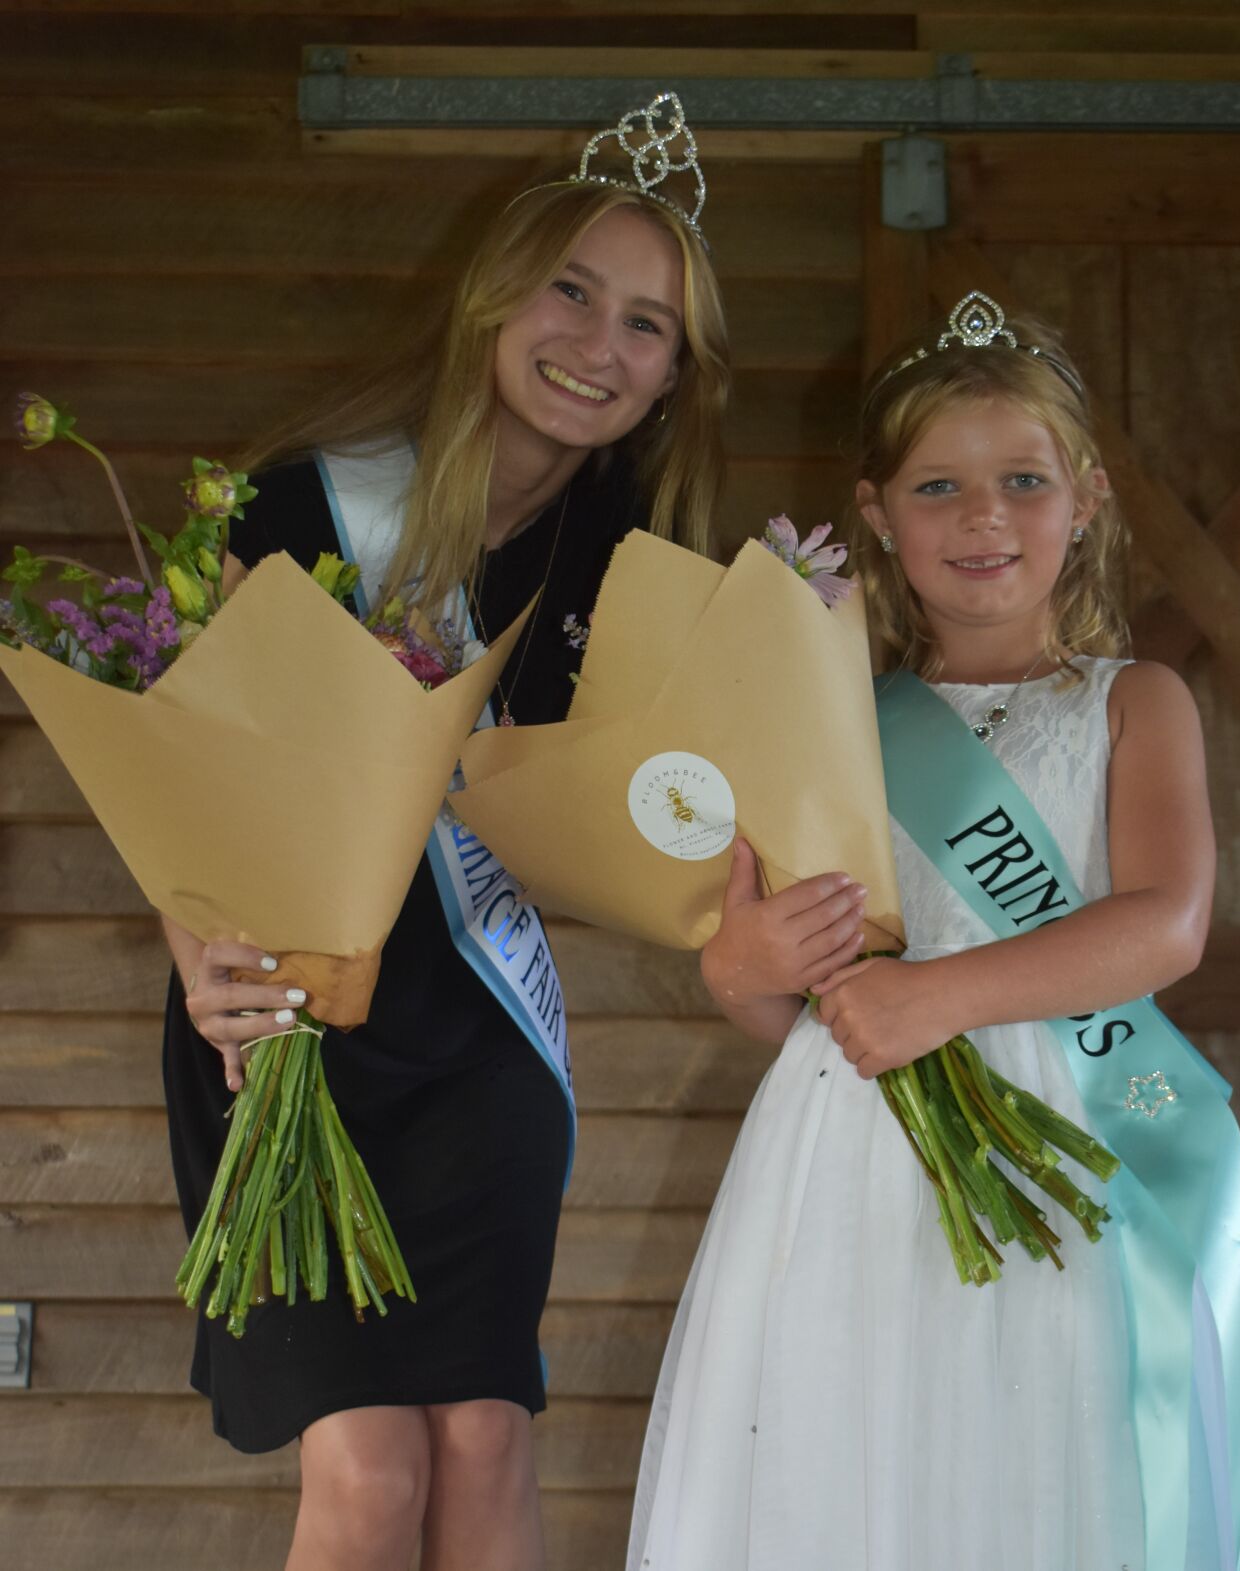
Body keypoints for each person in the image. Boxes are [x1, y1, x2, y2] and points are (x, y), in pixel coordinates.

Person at [626, 292, 1240, 1570]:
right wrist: (741, 968)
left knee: (1059, 1464)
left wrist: (941, 996)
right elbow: (780, 981)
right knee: (864, 1459)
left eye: (1023, 479)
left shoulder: (1137, 700)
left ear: (1087, 497)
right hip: (853, 1148)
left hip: (1080, 1139)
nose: (985, 515)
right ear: (878, 516)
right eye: (939, 486)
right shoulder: (828, 713)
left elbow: (1165, 924)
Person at [159, 93, 729, 1571]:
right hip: (285, 1011)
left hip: (478, 1033)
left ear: (675, 375)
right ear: (495, 291)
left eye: (649, 326)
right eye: (573, 289)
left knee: (484, 1436)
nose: (601, 344)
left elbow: (637, 827)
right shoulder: (307, 505)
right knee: (368, 1465)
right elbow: (196, 789)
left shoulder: (637, 577)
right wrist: (203, 958)